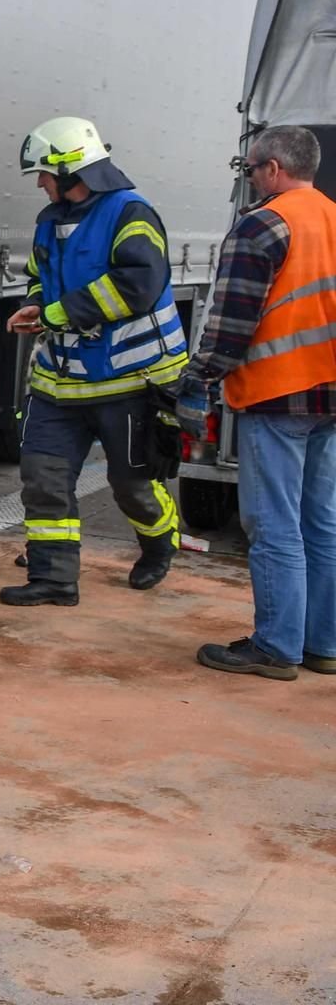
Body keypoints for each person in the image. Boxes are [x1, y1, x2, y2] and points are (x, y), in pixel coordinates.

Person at [0, 117, 189, 606]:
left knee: (132, 485)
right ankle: (53, 579)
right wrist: (38, 305)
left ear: (70, 169)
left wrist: (57, 314)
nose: (40, 183)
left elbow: (138, 286)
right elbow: (39, 273)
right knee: (43, 479)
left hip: (128, 379)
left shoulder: (131, 214)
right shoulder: (49, 220)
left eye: (43, 173)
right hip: (58, 383)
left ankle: (159, 542)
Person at [179, 126, 336, 680]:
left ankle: (275, 647)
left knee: (274, 526)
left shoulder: (262, 225)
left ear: (273, 169)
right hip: (330, 397)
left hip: (278, 394)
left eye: (248, 169)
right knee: (321, 522)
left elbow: (231, 322)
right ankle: (323, 644)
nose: (249, 180)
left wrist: (198, 379)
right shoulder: (333, 217)